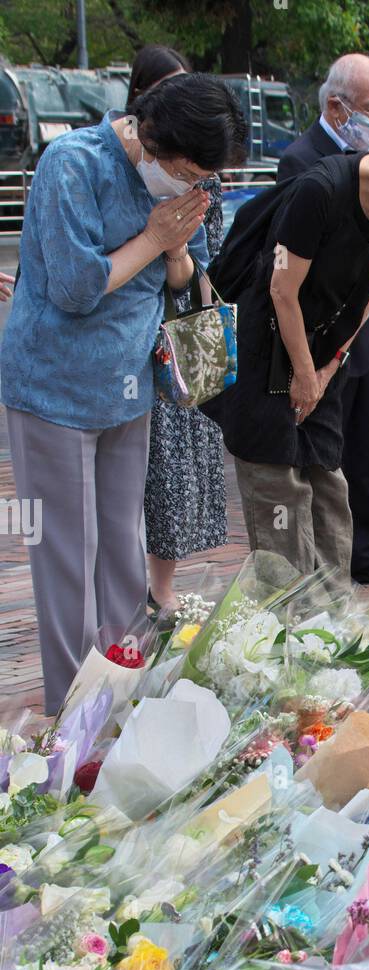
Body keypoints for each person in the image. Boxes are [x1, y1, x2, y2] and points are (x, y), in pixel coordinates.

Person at [0, 74, 247, 715]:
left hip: (129, 387)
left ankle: (127, 693)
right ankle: (75, 714)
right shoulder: (73, 163)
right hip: (53, 387)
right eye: (190, 169)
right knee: (65, 555)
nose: (196, 183)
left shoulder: (185, 181)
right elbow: (75, 289)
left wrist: (174, 252)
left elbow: (187, 273)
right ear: (151, 136)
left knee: (123, 548)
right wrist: (155, 239)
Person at [206, 117, 369, 579]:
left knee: (327, 478)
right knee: (278, 481)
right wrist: (304, 375)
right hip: (265, 341)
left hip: (323, 345)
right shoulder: (321, 190)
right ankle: (288, 622)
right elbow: (281, 291)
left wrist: (328, 368)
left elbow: (366, 296)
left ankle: (332, 618)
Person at [277, 54, 369, 585]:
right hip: (322, 329)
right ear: (337, 107)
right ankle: (327, 558)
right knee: (326, 446)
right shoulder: (301, 161)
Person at [126, 47, 232, 614]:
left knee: (171, 465)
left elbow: (205, 267)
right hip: (116, 338)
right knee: (123, 476)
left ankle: (161, 587)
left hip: (175, 332)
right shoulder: (119, 162)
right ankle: (122, 589)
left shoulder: (204, 182)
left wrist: (176, 253)